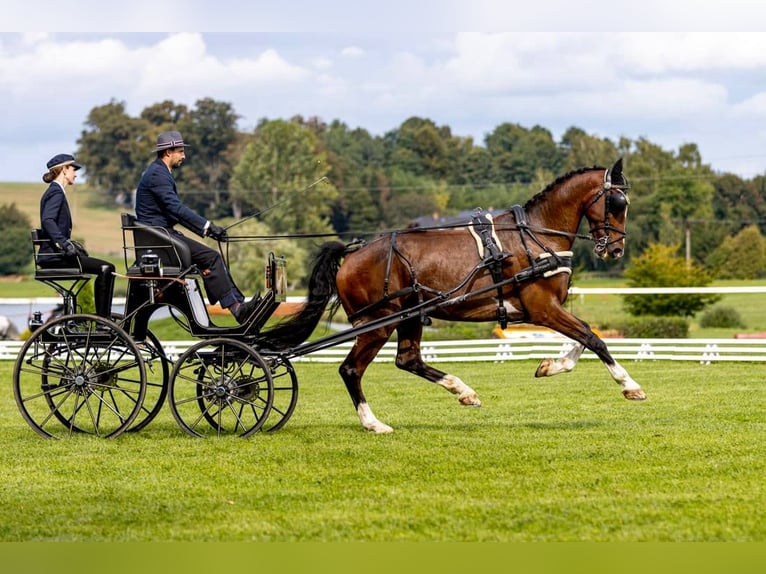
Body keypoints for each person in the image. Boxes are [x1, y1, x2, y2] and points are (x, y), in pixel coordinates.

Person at [134, 130, 259, 323]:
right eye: (181, 151)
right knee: (212, 258)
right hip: (159, 241)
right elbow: (176, 209)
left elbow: (176, 213)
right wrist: (208, 227)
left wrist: (208, 231)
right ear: (168, 152)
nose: (184, 156)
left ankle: (240, 304)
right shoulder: (157, 175)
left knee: (212, 258)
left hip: (163, 236)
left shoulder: (159, 172)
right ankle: (236, 308)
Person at [38, 153, 116, 318]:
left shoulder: (55, 191)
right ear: (64, 170)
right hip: (54, 257)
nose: (76, 173)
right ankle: (102, 320)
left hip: (54, 255)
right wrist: (64, 244)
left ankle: (102, 319)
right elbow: (48, 220)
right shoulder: (56, 192)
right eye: (73, 169)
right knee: (106, 268)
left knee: (106, 268)